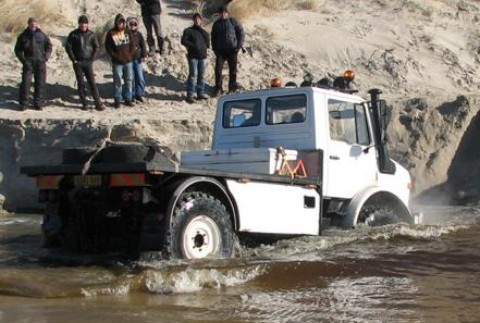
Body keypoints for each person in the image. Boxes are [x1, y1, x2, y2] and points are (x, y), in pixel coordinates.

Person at [65, 15, 104, 111]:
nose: (83, 25)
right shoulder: (73, 34)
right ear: (79, 24)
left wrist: (92, 59)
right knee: (81, 83)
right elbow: (68, 47)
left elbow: (96, 47)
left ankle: (98, 102)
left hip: (88, 62)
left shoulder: (91, 34)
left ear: (87, 24)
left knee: (92, 82)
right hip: (78, 62)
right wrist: (73, 59)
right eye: (82, 23)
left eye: (85, 24)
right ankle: (84, 103)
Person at [14, 17, 52, 111]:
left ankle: (38, 104)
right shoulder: (23, 36)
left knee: (40, 83)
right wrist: (24, 61)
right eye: (31, 23)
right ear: (28, 24)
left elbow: (49, 47)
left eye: (35, 23)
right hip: (29, 62)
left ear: (37, 24)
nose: (33, 24)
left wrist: (46, 57)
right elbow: (17, 50)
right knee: (26, 83)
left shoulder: (42, 35)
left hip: (40, 62)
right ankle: (24, 104)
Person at [210, 5, 244, 97]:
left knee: (233, 70)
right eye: (221, 13)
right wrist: (214, 49)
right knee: (218, 69)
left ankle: (232, 88)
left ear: (227, 13)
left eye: (224, 13)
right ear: (219, 14)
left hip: (232, 50)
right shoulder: (216, 24)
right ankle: (218, 88)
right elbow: (213, 37)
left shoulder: (232, 21)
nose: (223, 14)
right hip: (220, 51)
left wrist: (238, 46)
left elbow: (241, 32)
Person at [105, 13, 136, 108]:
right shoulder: (111, 32)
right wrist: (114, 56)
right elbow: (108, 46)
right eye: (119, 22)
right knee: (117, 81)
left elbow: (133, 44)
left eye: (122, 22)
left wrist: (130, 55)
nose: (121, 24)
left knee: (129, 80)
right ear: (116, 23)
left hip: (128, 61)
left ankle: (128, 98)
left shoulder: (128, 32)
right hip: (117, 62)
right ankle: (117, 99)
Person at [181, 13, 210, 103]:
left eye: (199, 19)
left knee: (201, 75)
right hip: (193, 56)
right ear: (193, 20)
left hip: (202, 56)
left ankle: (200, 93)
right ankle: (190, 95)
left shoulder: (203, 32)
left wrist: (205, 48)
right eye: (196, 19)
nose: (197, 21)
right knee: (192, 75)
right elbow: (183, 40)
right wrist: (193, 46)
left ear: (201, 20)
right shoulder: (188, 30)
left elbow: (208, 42)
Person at [127, 16, 148, 103]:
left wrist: (144, 55)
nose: (133, 25)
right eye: (131, 24)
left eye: (134, 24)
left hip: (138, 58)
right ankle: (131, 95)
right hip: (129, 59)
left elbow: (143, 45)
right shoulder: (125, 34)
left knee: (140, 77)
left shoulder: (139, 34)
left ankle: (140, 94)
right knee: (130, 78)